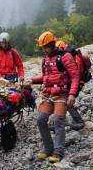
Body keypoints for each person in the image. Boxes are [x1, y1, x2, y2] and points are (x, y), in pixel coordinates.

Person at [31, 32, 81, 163]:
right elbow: (46, 78)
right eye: (42, 47)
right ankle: (47, 148)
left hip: (62, 94)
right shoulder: (45, 59)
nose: (43, 50)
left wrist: (72, 94)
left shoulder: (65, 57)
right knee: (41, 120)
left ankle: (58, 151)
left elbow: (75, 76)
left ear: (52, 44)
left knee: (58, 121)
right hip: (48, 94)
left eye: (45, 47)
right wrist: (31, 81)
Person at [56, 41, 86, 131]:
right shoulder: (73, 55)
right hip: (76, 82)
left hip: (77, 83)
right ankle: (62, 119)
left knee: (67, 102)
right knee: (66, 101)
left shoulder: (72, 57)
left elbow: (76, 74)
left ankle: (79, 121)